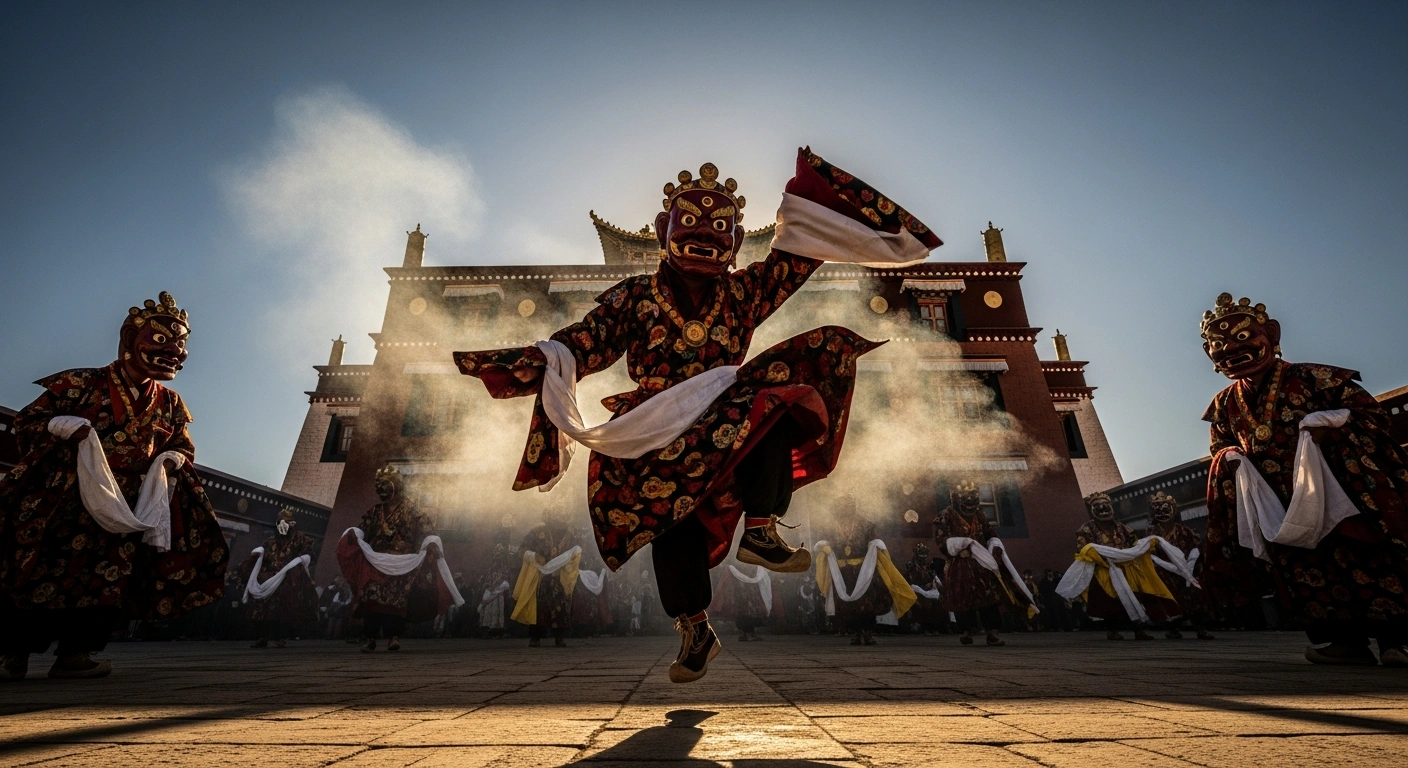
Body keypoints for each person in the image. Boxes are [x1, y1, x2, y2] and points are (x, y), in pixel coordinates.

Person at [453, 149, 940, 682]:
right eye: (689, 224)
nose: (703, 236)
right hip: (656, 425)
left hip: (723, 407)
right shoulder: (636, 295)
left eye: (718, 228)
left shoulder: (744, 292)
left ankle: (760, 527)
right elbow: (588, 340)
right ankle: (694, 627)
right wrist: (543, 358)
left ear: (732, 243)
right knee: (670, 524)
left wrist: (818, 201)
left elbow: (796, 256)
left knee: (784, 392)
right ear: (664, 231)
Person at [0, 292, 227, 681]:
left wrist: (172, 459)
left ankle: (76, 653)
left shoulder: (170, 403)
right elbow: (28, 423)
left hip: (126, 509)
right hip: (66, 502)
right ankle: (12, 654)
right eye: (161, 340)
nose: (175, 350)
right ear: (128, 338)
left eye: (181, 344)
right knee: (42, 570)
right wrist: (61, 427)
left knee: (107, 578)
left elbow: (181, 446)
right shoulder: (81, 383)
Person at [1199, 293, 1408, 666]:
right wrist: (1228, 457)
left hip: (1337, 493)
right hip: (1280, 505)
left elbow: (1371, 415)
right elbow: (1220, 442)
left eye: (1243, 337)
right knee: (1307, 569)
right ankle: (1345, 642)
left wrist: (1333, 424)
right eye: (1218, 345)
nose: (1230, 349)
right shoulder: (1225, 403)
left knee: (1366, 557)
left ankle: (1396, 640)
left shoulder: (1315, 378)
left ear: (1271, 334)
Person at [337, 465, 461, 653]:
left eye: (385, 484)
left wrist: (431, 542)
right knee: (371, 597)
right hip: (377, 562)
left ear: (395, 485)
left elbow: (426, 528)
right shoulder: (375, 511)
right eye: (378, 485)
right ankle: (370, 638)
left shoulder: (411, 510)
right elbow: (364, 527)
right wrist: (355, 535)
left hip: (402, 563)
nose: (380, 489)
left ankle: (393, 637)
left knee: (398, 601)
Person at [933, 481, 1036, 646]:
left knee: (989, 598)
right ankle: (966, 631)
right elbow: (941, 540)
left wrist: (995, 545)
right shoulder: (945, 516)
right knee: (962, 598)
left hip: (982, 564)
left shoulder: (979, 514)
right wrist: (960, 546)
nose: (970, 502)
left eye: (973, 497)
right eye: (965, 497)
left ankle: (992, 633)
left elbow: (990, 533)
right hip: (959, 566)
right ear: (955, 498)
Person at [1069, 492, 1178, 641]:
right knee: (1110, 603)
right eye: (1098, 507)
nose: (1103, 509)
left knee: (1135, 598)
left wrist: (1144, 547)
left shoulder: (1122, 527)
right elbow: (1082, 550)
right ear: (1091, 511)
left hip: (1126, 569)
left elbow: (1134, 543)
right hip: (1104, 570)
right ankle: (1112, 630)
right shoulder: (1086, 530)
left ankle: (1139, 630)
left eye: (1106, 506)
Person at [817, 496, 915, 646]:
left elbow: (875, 540)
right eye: (842, 506)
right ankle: (856, 634)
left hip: (863, 570)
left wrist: (876, 544)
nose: (845, 509)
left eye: (847, 505)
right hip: (842, 573)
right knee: (849, 607)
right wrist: (824, 546)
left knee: (867, 604)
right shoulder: (831, 526)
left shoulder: (865, 524)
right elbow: (824, 541)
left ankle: (868, 633)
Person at [237, 509, 319, 648]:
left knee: (281, 610)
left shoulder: (300, 538)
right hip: (268, 578)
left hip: (286, 578)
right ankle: (262, 637)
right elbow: (264, 554)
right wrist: (259, 554)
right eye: (280, 521)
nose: (283, 525)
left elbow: (309, 554)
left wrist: (302, 560)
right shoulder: (270, 541)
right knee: (263, 608)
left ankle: (279, 637)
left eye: (286, 522)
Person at [1144, 492, 1215, 640]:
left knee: (1194, 594)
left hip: (1186, 571)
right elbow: (1147, 553)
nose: (1162, 514)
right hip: (1164, 571)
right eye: (1158, 511)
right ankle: (1173, 629)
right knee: (1170, 598)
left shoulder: (1185, 531)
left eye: (1165, 510)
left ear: (1174, 510)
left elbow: (1195, 547)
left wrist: (1190, 564)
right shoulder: (1151, 533)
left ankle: (1200, 628)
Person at [511, 508, 580, 647]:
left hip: (561, 578)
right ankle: (535, 637)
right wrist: (535, 556)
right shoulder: (537, 532)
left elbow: (579, 552)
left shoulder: (570, 534)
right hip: (541, 577)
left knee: (561, 606)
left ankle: (559, 636)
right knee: (539, 606)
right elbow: (522, 551)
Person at [904, 542, 947, 635]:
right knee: (926, 602)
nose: (923, 558)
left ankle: (935, 627)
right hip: (916, 591)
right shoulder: (912, 567)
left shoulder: (928, 567)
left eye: (925, 556)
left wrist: (933, 583)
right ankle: (925, 628)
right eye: (921, 556)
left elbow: (933, 578)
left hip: (929, 591)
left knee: (938, 601)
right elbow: (911, 583)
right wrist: (924, 587)